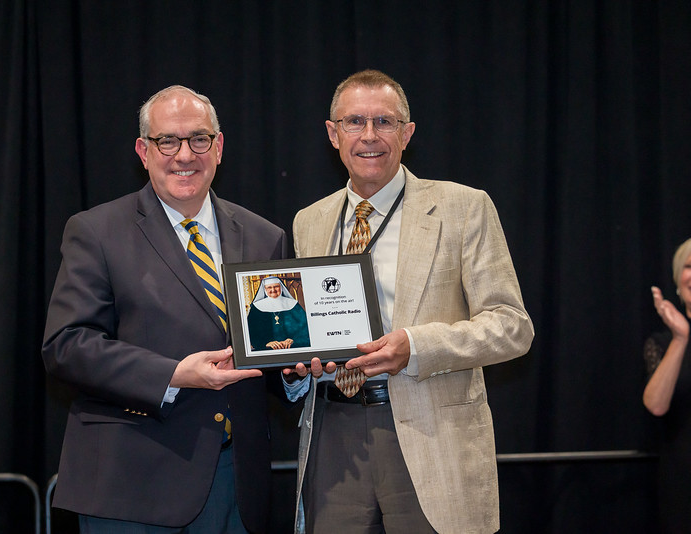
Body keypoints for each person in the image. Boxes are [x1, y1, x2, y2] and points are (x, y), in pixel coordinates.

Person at [284, 70, 534, 534]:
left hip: (431, 434)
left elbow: (512, 326)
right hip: (334, 436)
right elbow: (307, 327)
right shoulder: (309, 221)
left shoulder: (463, 207)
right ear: (332, 133)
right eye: (355, 121)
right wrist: (298, 362)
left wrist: (414, 347)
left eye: (385, 121)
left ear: (407, 133)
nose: (370, 136)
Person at [42, 85, 286, 533]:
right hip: (132, 485)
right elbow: (67, 346)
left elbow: (270, 344)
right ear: (143, 150)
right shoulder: (96, 231)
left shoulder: (263, 236)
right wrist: (173, 375)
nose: (184, 155)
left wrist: (294, 370)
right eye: (167, 141)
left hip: (236, 484)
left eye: (198, 139)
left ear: (219, 146)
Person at [642, 237, 691, 533]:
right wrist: (681, 338)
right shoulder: (662, 342)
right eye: (688, 266)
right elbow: (656, 405)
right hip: (684, 485)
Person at [247, 276, 311, 351]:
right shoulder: (256, 307)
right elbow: (251, 331)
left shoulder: (293, 304)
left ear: (281, 287)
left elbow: (305, 327)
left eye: (276, 286)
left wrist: (293, 340)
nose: (273, 290)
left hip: (291, 347)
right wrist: (265, 343)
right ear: (265, 289)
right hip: (267, 349)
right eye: (269, 287)